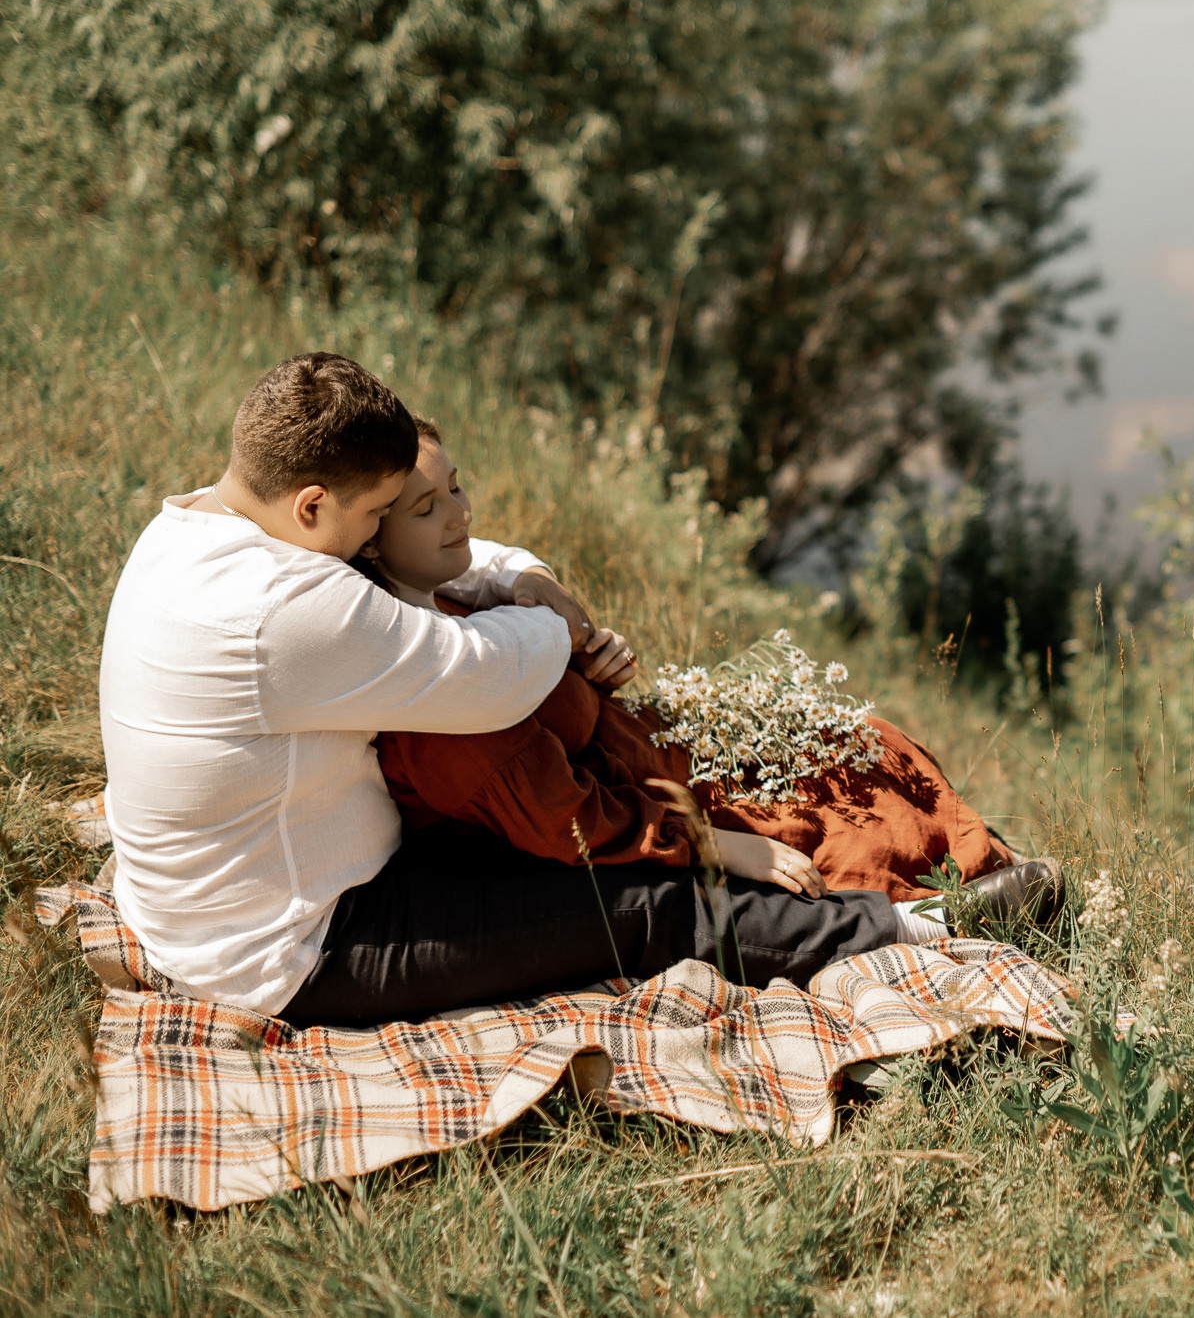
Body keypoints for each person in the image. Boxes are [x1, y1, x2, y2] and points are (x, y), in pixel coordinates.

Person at [97, 353, 899, 1027]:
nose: (376, 534)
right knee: (639, 906)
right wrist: (558, 622)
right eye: (376, 512)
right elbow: (484, 675)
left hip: (230, 905)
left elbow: (423, 561)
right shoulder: (284, 607)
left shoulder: (188, 531)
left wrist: (522, 574)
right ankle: (902, 929)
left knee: (580, 866)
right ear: (311, 505)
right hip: (298, 947)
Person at [354, 416, 1062, 941]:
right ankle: (944, 914)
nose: (461, 513)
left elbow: (508, 579)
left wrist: (590, 664)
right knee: (814, 833)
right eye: (427, 507)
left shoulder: (450, 592)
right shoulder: (433, 697)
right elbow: (567, 820)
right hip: (635, 818)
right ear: (372, 538)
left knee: (853, 741)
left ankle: (978, 856)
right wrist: (717, 844)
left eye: (456, 486)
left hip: (645, 751)